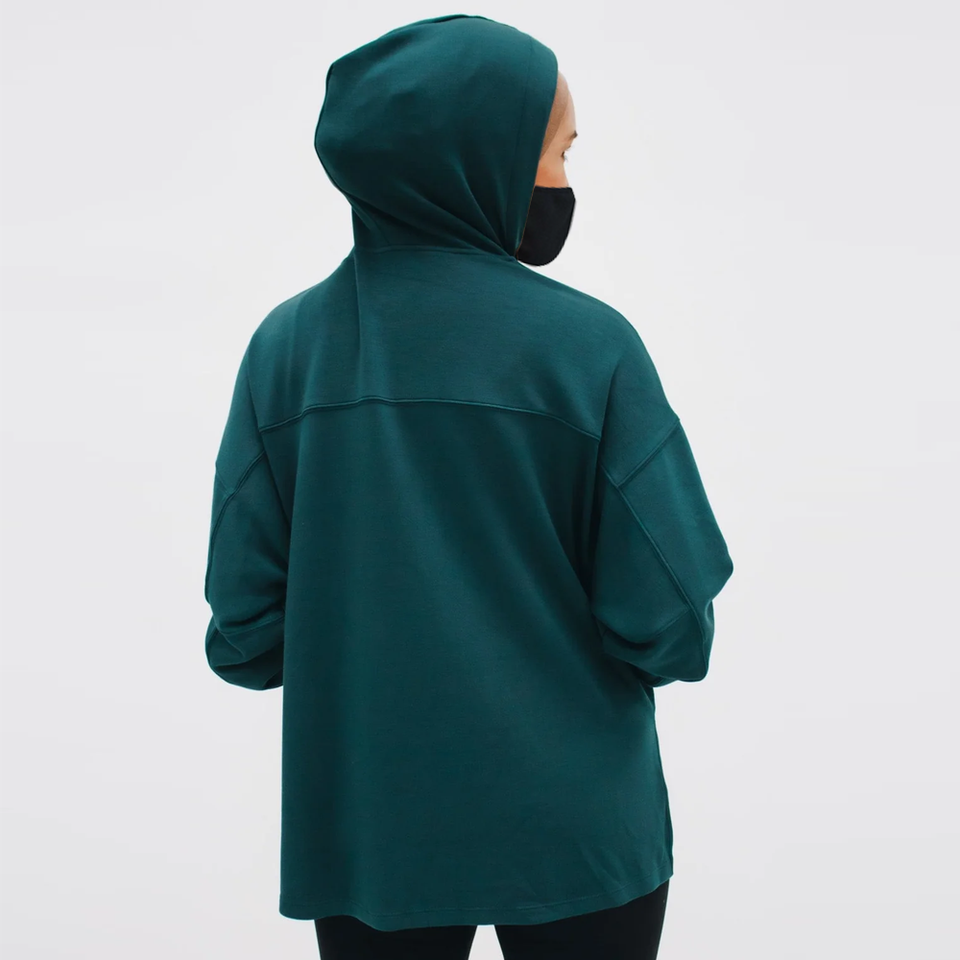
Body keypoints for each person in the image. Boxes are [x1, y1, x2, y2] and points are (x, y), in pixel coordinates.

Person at [202, 13, 734, 960]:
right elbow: (669, 625)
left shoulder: (285, 354)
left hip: (370, 828)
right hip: (579, 830)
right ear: (480, 158)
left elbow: (245, 636)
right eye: (558, 151)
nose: (564, 180)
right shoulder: (591, 349)